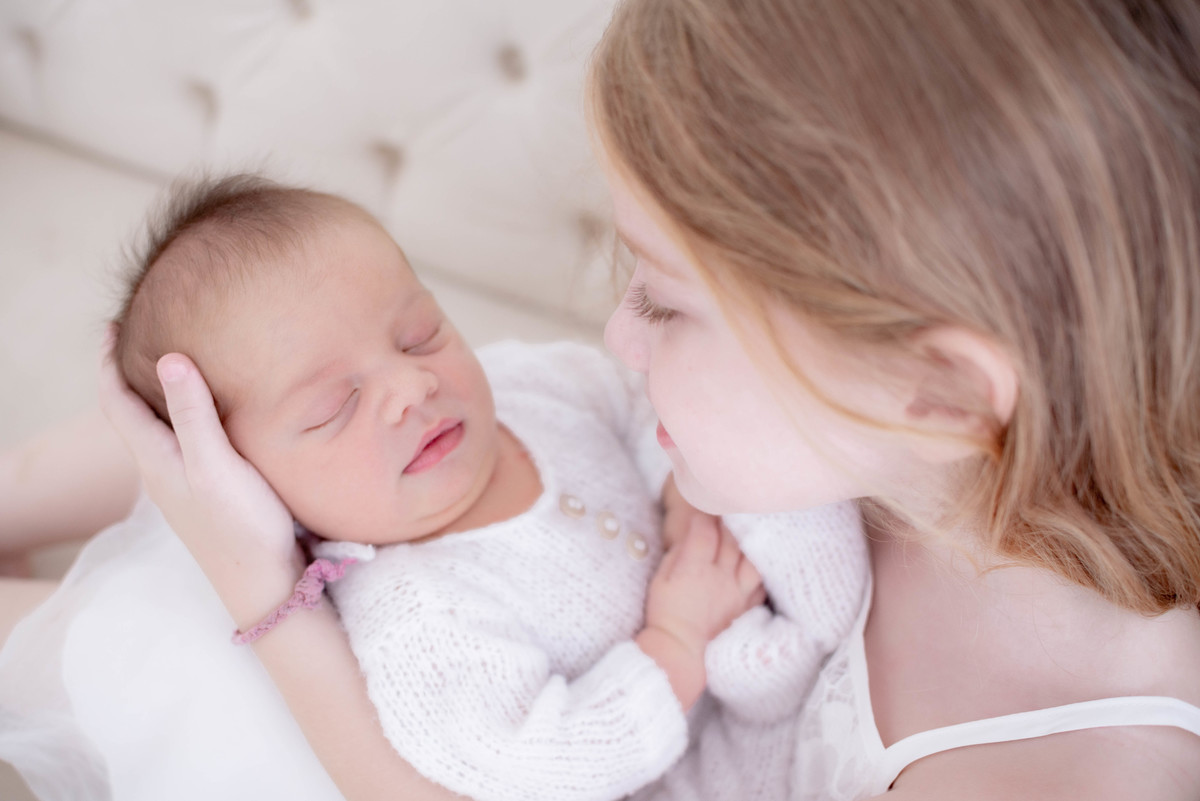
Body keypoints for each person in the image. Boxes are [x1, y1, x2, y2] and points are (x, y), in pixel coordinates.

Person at [5, 0, 1200, 798]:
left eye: (669, 305)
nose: (618, 337)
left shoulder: (1051, 763)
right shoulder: (886, 429)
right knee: (253, 412)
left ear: (936, 384)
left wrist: (263, 591)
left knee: (166, 645)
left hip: (462, 748)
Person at [0, 172, 867, 801]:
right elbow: (530, 758)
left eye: (419, 335)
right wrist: (672, 644)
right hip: (670, 755)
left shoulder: (530, 387)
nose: (412, 386)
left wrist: (684, 488)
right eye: (337, 406)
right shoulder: (418, 617)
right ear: (255, 491)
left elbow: (636, 400)